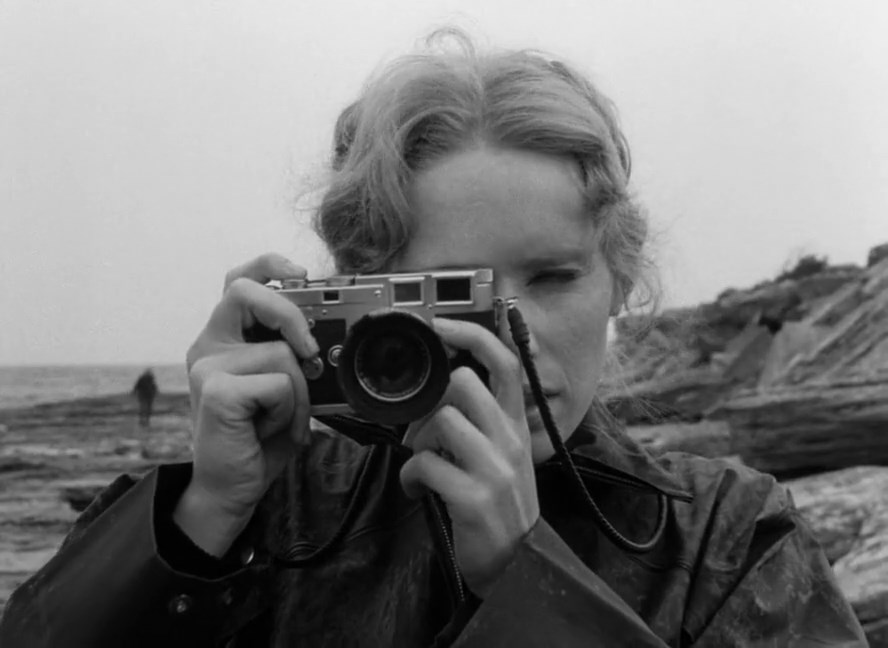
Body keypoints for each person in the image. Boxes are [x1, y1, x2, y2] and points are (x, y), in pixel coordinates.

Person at [0, 31, 867, 647]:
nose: (510, 336)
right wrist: (198, 521)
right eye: (454, 293)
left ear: (621, 279)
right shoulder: (272, 509)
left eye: (553, 277)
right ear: (365, 298)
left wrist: (531, 579)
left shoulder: (725, 538)